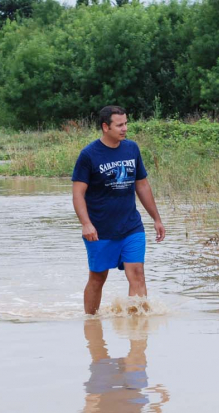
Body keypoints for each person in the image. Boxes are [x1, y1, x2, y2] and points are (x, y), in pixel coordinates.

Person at [72, 105, 165, 315]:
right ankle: (91, 324)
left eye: (126, 123)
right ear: (106, 127)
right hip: (100, 229)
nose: (125, 128)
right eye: (119, 125)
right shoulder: (88, 155)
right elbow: (78, 194)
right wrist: (86, 223)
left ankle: (137, 332)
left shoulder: (131, 149)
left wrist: (156, 219)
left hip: (131, 226)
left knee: (138, 274)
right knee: (98, 278)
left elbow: (142, 185)